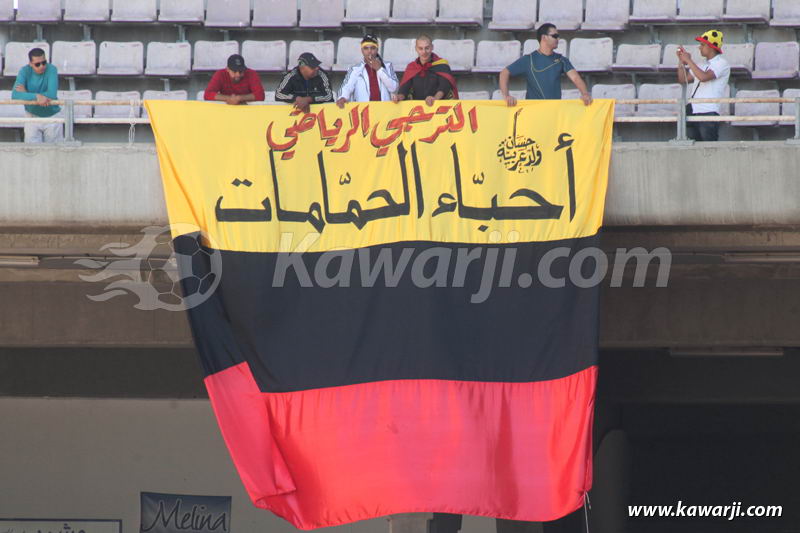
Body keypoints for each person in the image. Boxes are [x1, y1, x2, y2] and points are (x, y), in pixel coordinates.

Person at [499, 23, 592, 107]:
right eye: (555, 36)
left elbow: (576, 78)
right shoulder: (529, 59)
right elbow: (504, 73)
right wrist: (506, 96)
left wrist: (585, 93)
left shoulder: (561, 60)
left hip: (554, 111)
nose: (558, 39)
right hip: (533, 112)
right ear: (544, 37)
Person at [677, 30, 730, 142]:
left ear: (711, 46)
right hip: (693, 109)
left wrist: (689, 60)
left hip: (708, 110)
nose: (699, 48)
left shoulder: (722, 63)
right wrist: (681, 61)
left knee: (709, 148)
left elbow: (704, 77)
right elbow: (682, 79)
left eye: (702, 44)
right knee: (691, 146)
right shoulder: (702, 64)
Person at [11, 47, 62, 143]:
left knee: (54, 153)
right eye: (37, 64)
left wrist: (26, 93)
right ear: (30, 64)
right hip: (31, 116)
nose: (42, 66)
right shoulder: (24, 71)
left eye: (44, 62)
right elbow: (15, 95)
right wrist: (37, 97)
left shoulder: (52, 69)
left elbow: (51, 95)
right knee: (32, 153)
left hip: (52, 115)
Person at [392, 35, 458, 106]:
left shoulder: (442, 65)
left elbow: (444, 87)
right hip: (417, 110)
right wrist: (398, 97)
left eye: (427, 48)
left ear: (432, 47)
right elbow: (404, 90)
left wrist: (434, 99)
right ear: (416, 49)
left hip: (438, 108)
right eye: (420, 48)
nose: (424, 52)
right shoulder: (412, 67)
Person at [336, 34, 399, 107]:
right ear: (362, 50)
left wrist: (380, 69)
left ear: (377, 49)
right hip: (363, 111)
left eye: (372, 48)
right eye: (366, 48)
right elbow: (346, 87)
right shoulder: (355, 69)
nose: (369, 51)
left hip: (384, 111)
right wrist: (342, 97)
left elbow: (394, 88)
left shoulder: (387, 66)